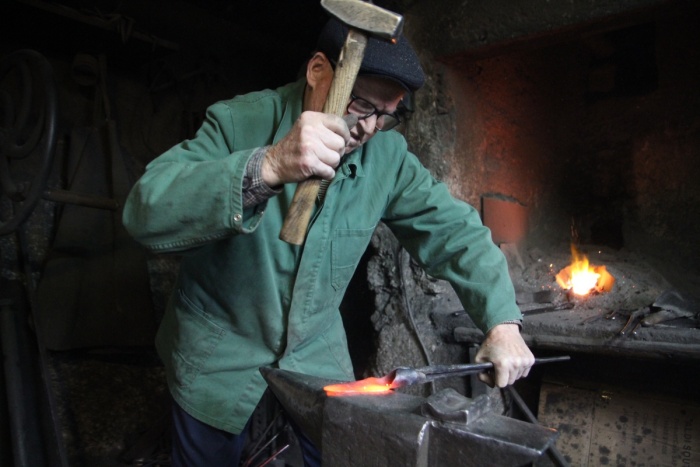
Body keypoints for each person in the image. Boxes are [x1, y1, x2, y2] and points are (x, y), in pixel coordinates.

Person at [123, 17, 534, 467]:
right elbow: (145, 211)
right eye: (361, 105)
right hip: (218, 351)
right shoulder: (241, 121)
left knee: (339, 454)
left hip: (315, 354)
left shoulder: (387, 157)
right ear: (319, 72)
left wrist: (501, 323)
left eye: (388, 114)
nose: (371, 128)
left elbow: (456, 232)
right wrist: (269, 166)